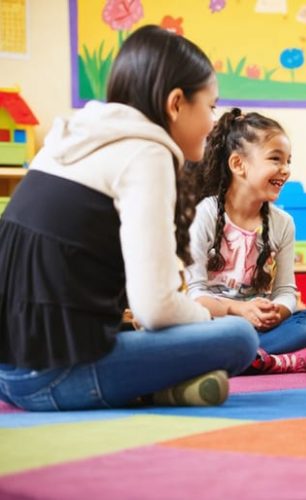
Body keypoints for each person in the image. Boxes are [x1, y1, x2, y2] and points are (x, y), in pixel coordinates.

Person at [0, 25, 258, 411]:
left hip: (7, 372)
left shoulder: (72, 140)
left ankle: (158, 390)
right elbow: (155, 308)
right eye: (211, 106)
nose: (211, 123)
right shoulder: (145, 153)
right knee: (238, 337)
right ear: (175, 104)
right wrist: (206, 320)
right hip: (53, 378)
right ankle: (156, 387)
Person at [186, 109, 306, 374]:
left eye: (288, 161)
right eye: (275, 159)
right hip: (217, 322)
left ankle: (241, 360)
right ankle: (260, 359)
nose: (285, 170)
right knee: (200, 329)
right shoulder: (204, 213)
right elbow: (195, 294)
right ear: (238, 164)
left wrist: (275, 311)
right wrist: (238, 309)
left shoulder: (283, 223)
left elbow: (286, 291)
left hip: (261, 328)